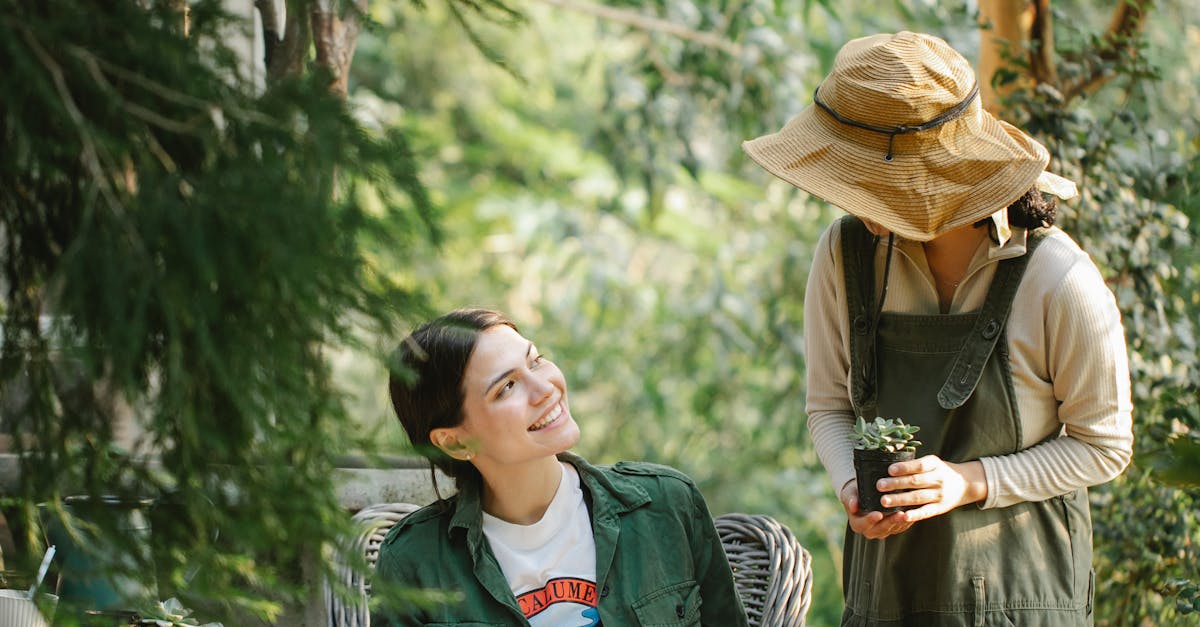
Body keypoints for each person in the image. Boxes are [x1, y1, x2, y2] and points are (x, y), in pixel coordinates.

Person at [742, 31, 1133, 625]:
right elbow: (827, 406)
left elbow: (1103, 444)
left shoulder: (1058, 279)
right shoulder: (846, 256)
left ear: (935, 179)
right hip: (886, 593)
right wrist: (854, 484)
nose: (847, 199)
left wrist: (971, 481)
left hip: (1022, 597)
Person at [370, 308, 749, 626]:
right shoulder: (413, 563)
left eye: (535, 360)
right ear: (455, 441)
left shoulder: (665, 506)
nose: (545, 388)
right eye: (507, 387)